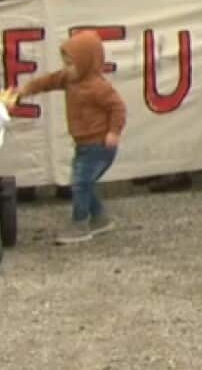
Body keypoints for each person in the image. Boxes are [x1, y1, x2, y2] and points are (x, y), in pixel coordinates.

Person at [14, 31, 126, 245]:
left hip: (99, 145)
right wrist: (26, 89)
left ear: (86, 62)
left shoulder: (98, 87)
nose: (67, 69)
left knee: (80, 183)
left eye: (71, 64)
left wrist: (114, 131)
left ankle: (80, 223)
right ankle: (100, 218)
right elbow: (48, 81)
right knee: (86, 182)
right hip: (83, 144)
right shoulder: (69, 79)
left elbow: (118, 108)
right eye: (65, 63)